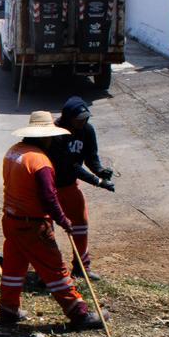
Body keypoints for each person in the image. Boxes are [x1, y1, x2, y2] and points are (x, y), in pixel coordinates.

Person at [0, 112, 102, 330]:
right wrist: (63, 219)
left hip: (11, 220)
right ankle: (79, 313)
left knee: (13, 267)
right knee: (55, 269)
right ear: (45, 137)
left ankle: (8, 309)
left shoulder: (14, 152)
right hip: (33, 224)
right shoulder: (40, 161)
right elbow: (49, 196)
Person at [48, 96, 115, 280]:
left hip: (69, 185)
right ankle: (49, 271)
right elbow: (70, 165)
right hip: (51, 188)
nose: (83, 122)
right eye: (79, 119)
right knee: (47, 229)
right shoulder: (56, 134)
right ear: (68, 117)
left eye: (85, 119)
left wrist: (100, 170)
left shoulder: (86, 130)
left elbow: (90, 157)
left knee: (80, 225)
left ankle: (81, 267)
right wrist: (97, 182)